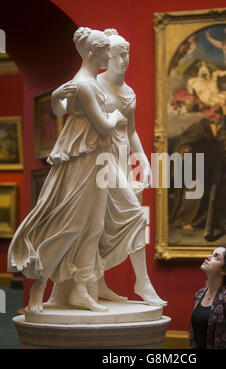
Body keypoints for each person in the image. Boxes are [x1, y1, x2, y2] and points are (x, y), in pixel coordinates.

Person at [7, 27, 125, 313]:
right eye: (106, 51)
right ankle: (37, 289)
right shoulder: (85, 84)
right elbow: (103, 125)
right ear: (94, 52)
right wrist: (118, 115)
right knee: (70, 225)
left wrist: (56, 96)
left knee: (94, 226)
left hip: (98, 158)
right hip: (83, 160)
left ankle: (81, 290)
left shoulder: (89, 82)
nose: (109, 55)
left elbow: (60, 111)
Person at [49, 29, 166, 307]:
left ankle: (98, 284)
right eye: (118, 55)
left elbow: (132, 131)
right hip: (100, 161)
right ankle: (142, 282)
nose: (124, 60)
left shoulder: (129, 92)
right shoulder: (92, 84)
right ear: (106, 56)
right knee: (129, 217)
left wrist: (143, 161)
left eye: (127, 54)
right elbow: (63, 109)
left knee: (104, 224)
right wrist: (56, 97)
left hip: (121, 159)